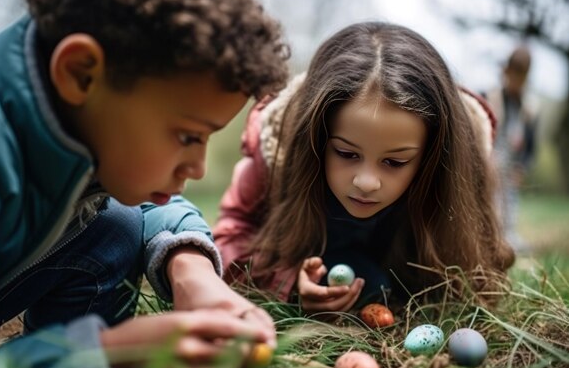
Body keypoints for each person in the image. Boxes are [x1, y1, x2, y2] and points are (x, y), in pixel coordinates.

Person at [0, 0, 289, 368]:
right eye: (188, 136)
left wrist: (191, 272)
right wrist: (101, 354)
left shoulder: (63, 109)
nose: (197, 167)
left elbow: (138, 198)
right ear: (80, 72)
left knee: (114, 228)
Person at [213, 22, 515, 315]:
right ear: (316, 137)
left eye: (395, 162)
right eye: (346, 153)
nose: (367, 182)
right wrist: (287, 282)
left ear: (433, 156)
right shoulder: (277, 145)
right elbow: (228, 238)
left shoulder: (461, 164)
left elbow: (481, 263)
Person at [484, 45, 538, 253]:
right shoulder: (491, 96)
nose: (516, 82)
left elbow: (531, 146)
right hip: (491, 159)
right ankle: (489, 236)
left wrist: (522, 167)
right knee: (489, 201)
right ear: (506, 72)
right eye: (513, 75)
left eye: (521, 77)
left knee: (510, 202)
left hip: (512, 164)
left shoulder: (530, 108)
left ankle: (509, 236)